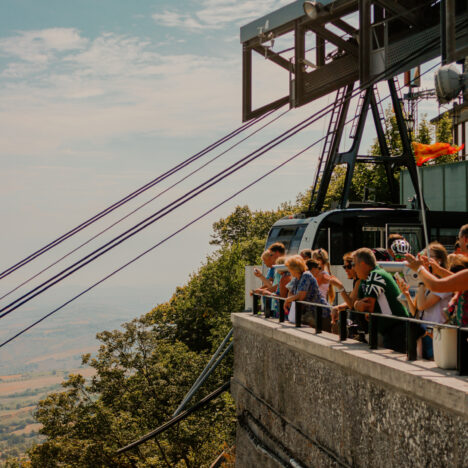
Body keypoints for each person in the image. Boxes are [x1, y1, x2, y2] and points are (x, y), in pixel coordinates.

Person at [397, 243, 451, 359]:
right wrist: (407, 295)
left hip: (435, 336)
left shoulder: (443, 283)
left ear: (439, 261)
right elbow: (415, 311)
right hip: (423, 335)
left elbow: (422, 305)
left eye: (428, 257)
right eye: (423, 256)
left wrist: (421, 277)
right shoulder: (426, 281)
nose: (423, 260)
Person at [353, 248, 412, 353]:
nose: (354, 269)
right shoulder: (370, 277)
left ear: (362, 264)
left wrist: (356, 304)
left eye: (354, 265)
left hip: (396, 330)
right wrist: (358, 304)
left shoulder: (375, 275)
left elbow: (367, 306)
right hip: (392, 330)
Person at [284, 255, 329, 329]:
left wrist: (288, 300)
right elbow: (291, 292)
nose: (289, 270)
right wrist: (289, 298)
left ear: (295, 268)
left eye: (289, 268)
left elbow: (301, 296)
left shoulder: (306, 275)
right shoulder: (297, 278)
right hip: (309, 315)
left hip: (320, 314)